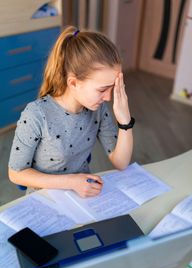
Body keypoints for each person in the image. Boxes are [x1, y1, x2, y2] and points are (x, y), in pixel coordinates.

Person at [8, 26, 135, 198]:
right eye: (102, 89)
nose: (108, 98)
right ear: (74, 83)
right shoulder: (36, 114)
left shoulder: (97, 110)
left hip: (82, 196)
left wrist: (124, 120)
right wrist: (72, 182)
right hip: (43, 200)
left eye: (112, 88)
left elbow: (121, 163)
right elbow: (15, 174)